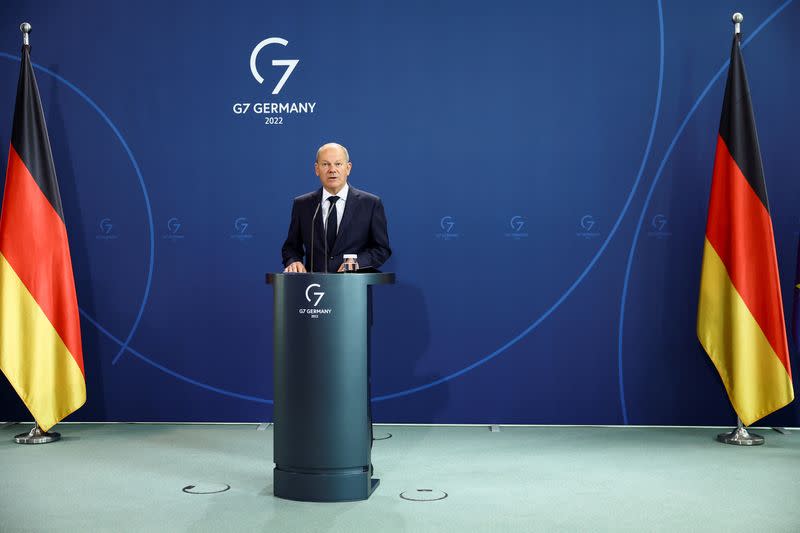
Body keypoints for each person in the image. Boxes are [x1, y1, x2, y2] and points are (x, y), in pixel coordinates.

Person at [282, 143, 391, 273]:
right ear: (317, 169)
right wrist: (294, 260)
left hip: (353, 286)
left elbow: (381, 249)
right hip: (313, 288)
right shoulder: (302, 204)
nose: (332, 169)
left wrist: (358, 262)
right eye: (325, 164)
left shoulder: (370, 204)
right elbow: (291, 247)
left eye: (338, 164)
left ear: (348, 168)